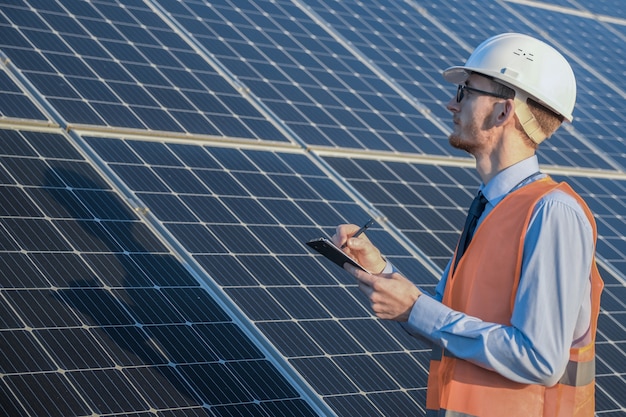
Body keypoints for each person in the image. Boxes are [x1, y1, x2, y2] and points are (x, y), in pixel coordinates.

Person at [332, 33, 603, 417]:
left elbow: (541, 360)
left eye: (465, 92)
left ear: (503, 113)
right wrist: (379, 270)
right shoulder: (493, 207)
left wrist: (417, 309)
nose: (450, 104)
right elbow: (443, 318)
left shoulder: (553, 213)